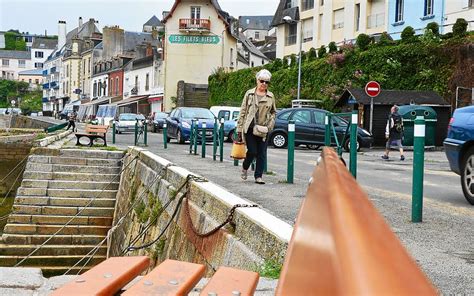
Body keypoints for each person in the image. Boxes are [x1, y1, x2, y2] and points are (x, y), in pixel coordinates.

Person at [236, 69, 277, 184]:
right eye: (262, 81)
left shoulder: (270, 96)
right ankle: (245, 167)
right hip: (249, 127)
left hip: (263, 129)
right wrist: (239, 129)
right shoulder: (249, 94)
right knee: (252, 151)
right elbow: (243, 111)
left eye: (267, 82)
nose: (264, 84)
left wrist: (271, 123)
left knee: (262, 153)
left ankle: (258, 176)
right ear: (257, 80)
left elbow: (274, 111)